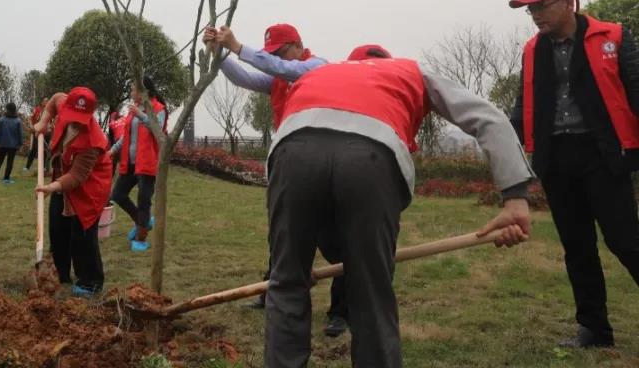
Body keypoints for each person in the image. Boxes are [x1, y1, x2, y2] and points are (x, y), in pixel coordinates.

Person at [264, 46, 534, 368]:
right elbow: (489, 119)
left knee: (287, 284)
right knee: (371, 292)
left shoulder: (318, 72)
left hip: (292, 154)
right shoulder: (410, 71)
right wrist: (515, 196)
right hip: (370, 157)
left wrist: (293, 254)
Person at [508, 0, 639, 349]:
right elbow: (524, 102)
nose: (534, 15)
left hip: (603, 154)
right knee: (577, 246)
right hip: (556, 158)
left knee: (626, 241)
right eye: (530, 9)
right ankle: (595, 329)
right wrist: (508, 147)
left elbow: (636, 88)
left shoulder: (613, 36)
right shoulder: (532, 50)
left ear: (569, 3)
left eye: (541, 6)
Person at [205, 22, 349, 337]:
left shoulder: (317, 67)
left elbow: (284, 69)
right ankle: (271, 294)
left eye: (281, 53)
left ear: (298, 45)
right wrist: (219, 52)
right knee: (282, 238)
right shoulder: (279, 78)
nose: (277, 60)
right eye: (273, 55)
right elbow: (246, 77)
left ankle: (341, 312)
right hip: (289, 169)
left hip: (322, 167)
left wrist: (239, 47)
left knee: (336, 243)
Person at [34, 86, 113, 296]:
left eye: (80, 117)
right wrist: (42, 122)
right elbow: (54, 100)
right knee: (58, 227)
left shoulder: (93, 142)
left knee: (83, 234)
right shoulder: (63, 102)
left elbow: (77, 177)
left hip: (91, 185)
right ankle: (59, 273)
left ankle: (90, 281)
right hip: (64, 176)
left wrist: (51, 187)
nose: (75, 120)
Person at [108, 76, 167, 253]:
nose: (131, 93)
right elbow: (127, 136)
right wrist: (113, 150)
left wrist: (141, 114)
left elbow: (157, 129)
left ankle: (141, 238)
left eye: (133, 89)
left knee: (143, 199)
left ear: (144, 92)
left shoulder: (159, 109)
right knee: (118, 195)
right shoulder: (133, 111)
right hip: (130, 162)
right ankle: (143, 222)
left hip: (147, 162)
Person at [0, 102, 24, 184]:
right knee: (10, 162)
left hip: (2, 144)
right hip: (13, 145)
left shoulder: (2, 120)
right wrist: (20, 143)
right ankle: (6, 179)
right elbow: (20, 133)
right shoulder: (18, 121)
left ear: (7, 109)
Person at [24, 101, 49, 174]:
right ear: (42, 102)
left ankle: (44, 167)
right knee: (34, 150)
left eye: (47, 101)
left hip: (46, 134)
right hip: (37, 132)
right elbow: (30, 118)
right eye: (45, 101)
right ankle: (27, 166)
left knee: (44, 150)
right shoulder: (37, 109)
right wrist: (32, 126)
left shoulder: (50, 111)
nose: (46, 102)